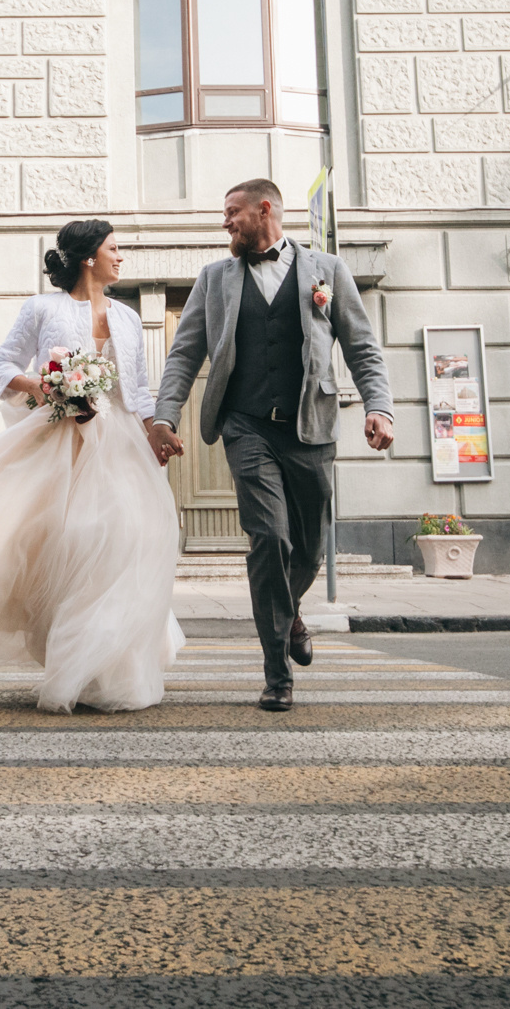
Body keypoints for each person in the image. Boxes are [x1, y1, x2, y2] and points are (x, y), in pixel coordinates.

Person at [0, 218, 184, 713]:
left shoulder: (129, 318)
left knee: (122, 545)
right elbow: (4, 365)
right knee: (66, 546)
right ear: (90, 257)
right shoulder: (42, 308)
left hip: (117, 447)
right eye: (115, 249)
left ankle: (111, 665)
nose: (122, 257)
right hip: (58, 444)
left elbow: (136, 390)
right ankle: (74, 656)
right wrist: (47, 386)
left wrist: (154, 431)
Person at [150, 179, 395, 713]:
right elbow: (183, 353)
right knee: (269, 539)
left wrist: (379, 407)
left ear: (265, 210)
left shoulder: (328, 271)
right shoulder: (214, 279)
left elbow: (362, 348)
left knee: (306, 549)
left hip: (310, 429)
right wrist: (165, 415)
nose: (226, 222)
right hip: (246, 427)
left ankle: (292, 612)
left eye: (232, 212)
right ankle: (276, 674)